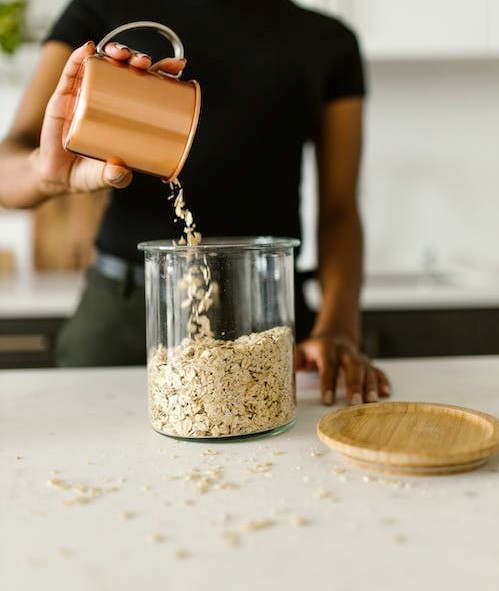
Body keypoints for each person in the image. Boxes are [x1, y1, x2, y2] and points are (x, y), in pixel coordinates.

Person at [0, 0, 390, 406]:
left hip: (268, 315)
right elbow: (6, 169)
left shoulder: (329, 41)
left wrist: (340, 327)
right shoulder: (101, 9)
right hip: (125, 314)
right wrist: (45, 173)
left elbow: (340, 209)